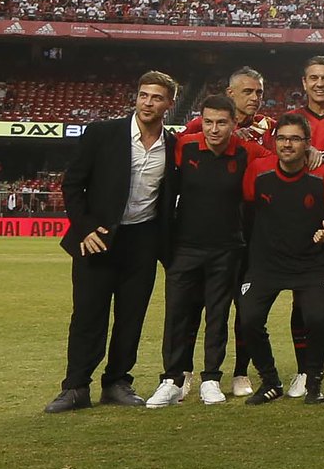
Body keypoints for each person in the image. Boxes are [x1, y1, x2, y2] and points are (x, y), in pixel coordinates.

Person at [47, 72, 179, 413]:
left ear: (169, 104)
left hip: (144, 241)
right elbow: (73, 185)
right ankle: (75, 387)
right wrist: (85, 229)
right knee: (88, 315)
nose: (147, 102)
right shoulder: (102, 133)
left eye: (156, 97)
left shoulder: (173, 146)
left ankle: (117, 382)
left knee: (131, 317)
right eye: (143, 95)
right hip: (98, 238)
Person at [147, 92, 260, 408]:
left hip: (227, 249)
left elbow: (282, 157)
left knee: (218, 315)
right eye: (208, 122)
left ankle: (211, 378)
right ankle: (171, 380)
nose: (214, 129)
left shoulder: (247, 152)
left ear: (234, 124)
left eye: (221, 123)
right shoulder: (185, 146)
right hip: (184, 248)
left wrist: (313, 151)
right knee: (177, 315)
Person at [238, 115, 324, 405]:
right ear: (274, 141)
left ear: (307, 143)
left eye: (295, 139)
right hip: (266, 264)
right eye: (282, 138)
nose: (287, 144)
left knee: (316, 319)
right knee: (248, 318)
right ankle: (270, 381)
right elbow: (247, 211)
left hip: (312, 264)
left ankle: (314, 381)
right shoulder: (258, 171)